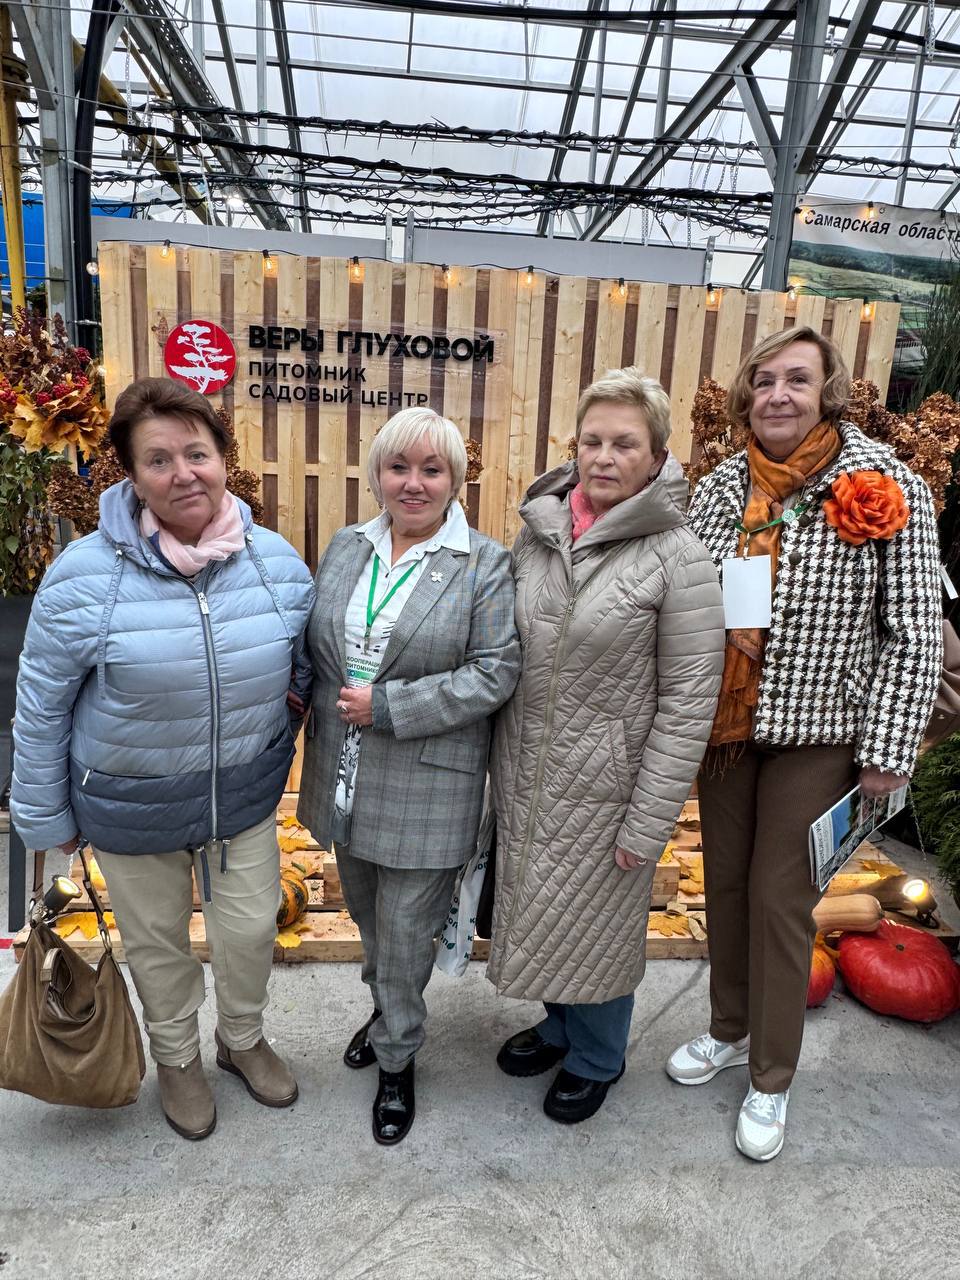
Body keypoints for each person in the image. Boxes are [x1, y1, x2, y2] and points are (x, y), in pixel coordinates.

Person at [11, 376, 314, 1141]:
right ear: (132, 474)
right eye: (158, 460)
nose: (183, 474)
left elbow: (306, 671)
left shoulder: (275, 564)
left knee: (249, 930)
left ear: (223, 458)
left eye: (196, 453)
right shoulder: (85, 575)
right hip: (131, 805)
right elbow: (42, 705)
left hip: (240, 799)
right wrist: (47, 817)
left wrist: (280, 736)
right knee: (157, 946)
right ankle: (178, 1059)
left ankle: (240, 1038)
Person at [666, 327, 943, 1161]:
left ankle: (772, 1076)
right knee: (725, 888)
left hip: (823, 732)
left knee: (780, 901)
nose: (777, 395)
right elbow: (686, 601)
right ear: (746, 395)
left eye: (796, 379)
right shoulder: (720, 488)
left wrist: (889, 748)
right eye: (764, 381)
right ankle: (729, 1031)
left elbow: (913, 630)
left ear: (829, 392)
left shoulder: (884, 484)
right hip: (728, 732)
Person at [487, 366, 725, 1124]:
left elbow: (688, 702)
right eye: (592, 440)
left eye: (625, 443)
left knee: (599, 927)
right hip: (527, 771)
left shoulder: (679, 558)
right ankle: (559, 1026)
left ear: (656, 457)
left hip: (608, 789)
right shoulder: (540, 532)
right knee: (543, 911)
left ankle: (597, 1056)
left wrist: (649, 821)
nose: (604, 456)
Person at [297, 406, 520, 1146]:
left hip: (429, 783)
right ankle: (386, 1009)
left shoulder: (484, 563)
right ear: (377, 475)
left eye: (432, 469)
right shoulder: (347, 546)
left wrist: (389, 706)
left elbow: (495, 672)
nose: (414, 483)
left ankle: (397, 1058)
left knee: (403, 934)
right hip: (345, 775)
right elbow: (316, 649)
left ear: (456, 480)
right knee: (371, 921)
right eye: (399, 467)